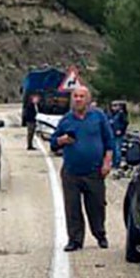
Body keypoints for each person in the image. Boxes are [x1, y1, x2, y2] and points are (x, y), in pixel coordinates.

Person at [50, 85, 116, 252]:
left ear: (88, 99)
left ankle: (100, 234)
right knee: (72, 207)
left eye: (81, 96)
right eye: (75, 96)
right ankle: (75, 240)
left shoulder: (98, 117)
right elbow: (53, 142)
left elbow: (109, 141)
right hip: (71, 171)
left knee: (97, 206)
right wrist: (61, 140)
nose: (78, 99)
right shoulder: (66, 120)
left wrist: (107, 162)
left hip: (94, 171)